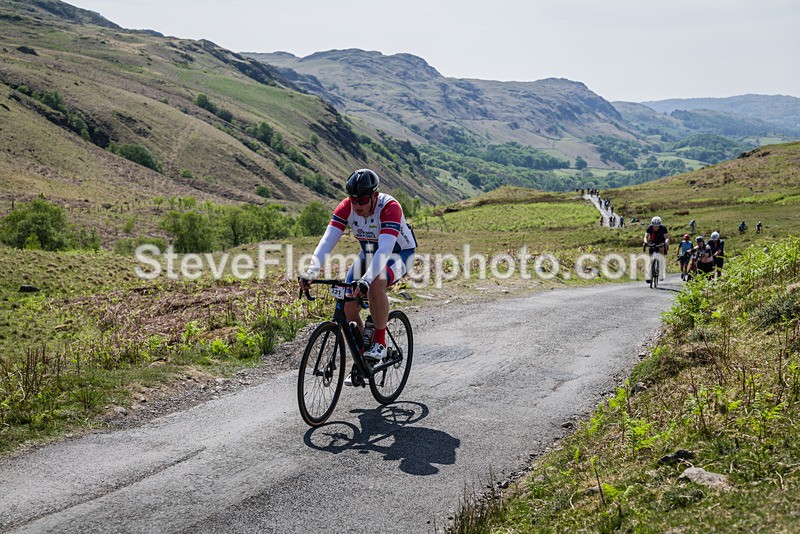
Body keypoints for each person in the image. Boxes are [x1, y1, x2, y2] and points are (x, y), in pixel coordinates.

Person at [299, 169, 417, 385]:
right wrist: (311, 272)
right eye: (354, 199)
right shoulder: (347, 207)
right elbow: (328, 240)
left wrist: (366, 280)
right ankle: (364, 358)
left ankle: (380, 342)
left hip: (399, 253)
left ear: (374, 196)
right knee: (347, 303)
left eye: (362, 200)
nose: (357, 205)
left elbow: (385, 248)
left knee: (375, 283)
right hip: (369, 254)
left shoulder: (389, 207)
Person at [643, 216, 669, 283]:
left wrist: (666, 243)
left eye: (657, 226)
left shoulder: (663, 228)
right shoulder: (650, 227)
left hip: (661, 242)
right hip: (653, 242)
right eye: (654, 226)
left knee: (661, 253)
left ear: (659, 225)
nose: (655, 227)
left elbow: (667, 237)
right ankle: (649, 275)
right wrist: (645, 242)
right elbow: (646, 236)